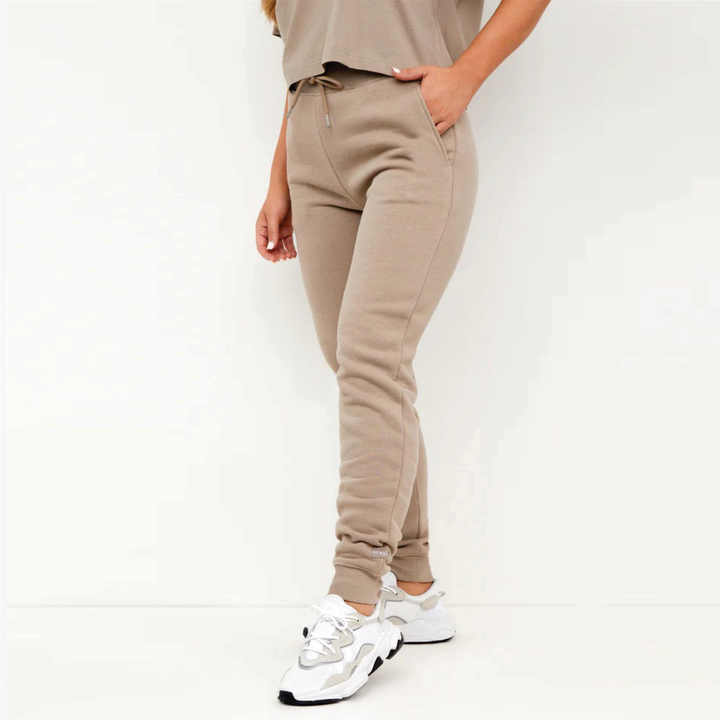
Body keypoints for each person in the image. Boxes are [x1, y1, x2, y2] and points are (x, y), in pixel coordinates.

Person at [256, 0, 551, 706]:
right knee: (360, 366)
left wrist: (465, 76)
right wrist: (280, 176)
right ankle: (412, 589)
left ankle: (356, 599)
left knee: (370, 359)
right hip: (312, 137)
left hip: (409, 133)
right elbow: (307, 48)